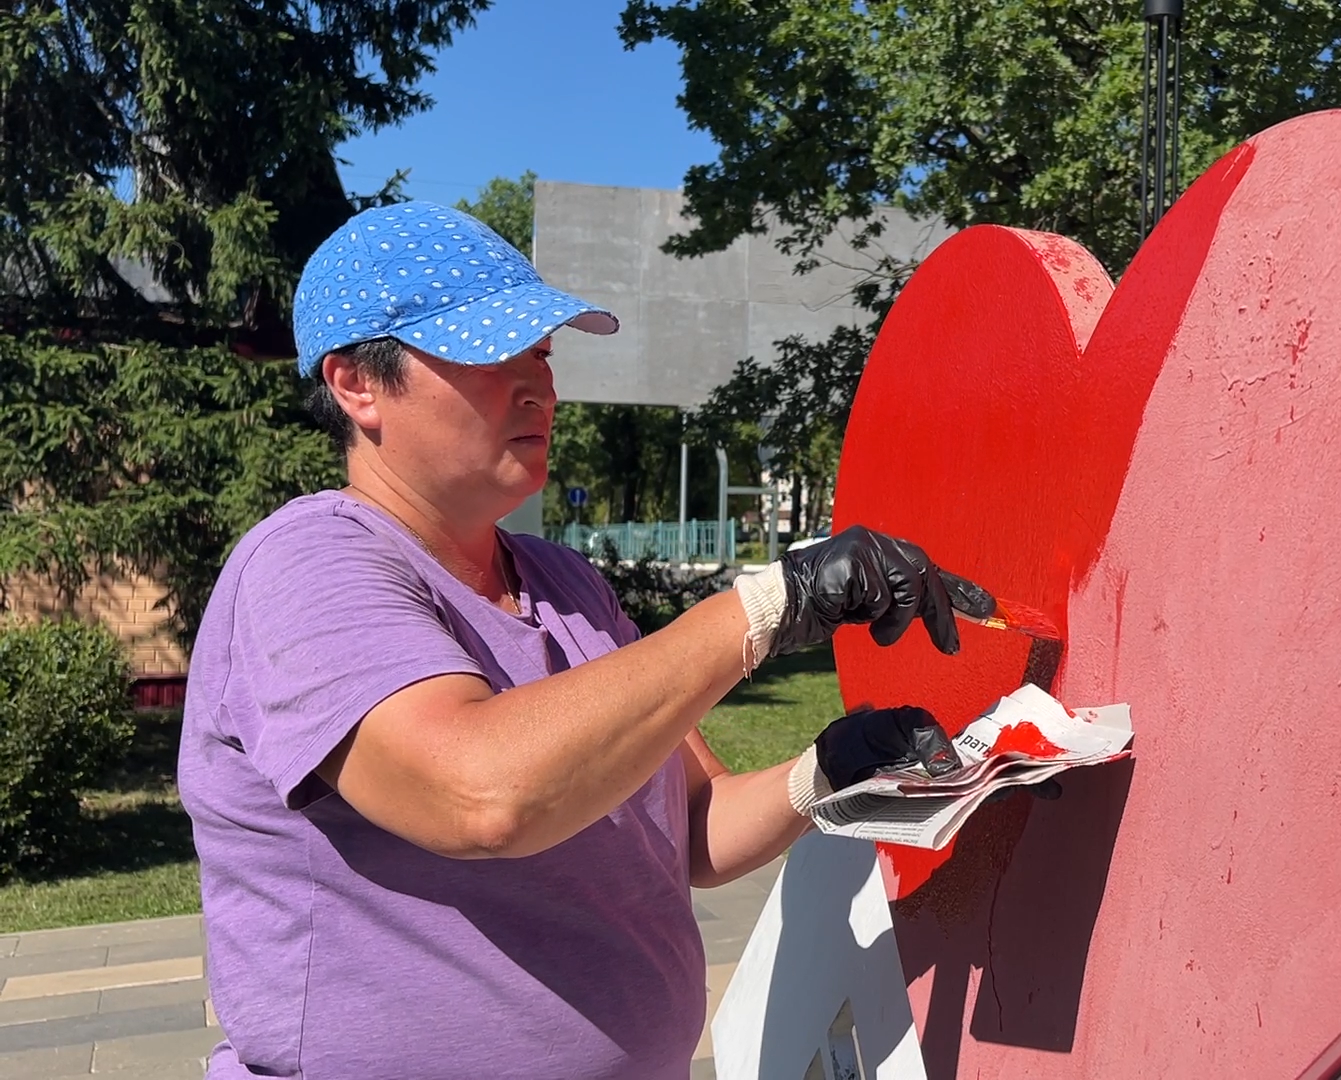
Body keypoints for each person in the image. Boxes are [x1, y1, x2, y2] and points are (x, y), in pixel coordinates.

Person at [178, 201, 976, 1080]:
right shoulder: (307, 565)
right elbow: (483, 797)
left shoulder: (566, 585)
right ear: (355, 386)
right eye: (488, 353)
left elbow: (691, 830)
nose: (538, 387)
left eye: (544, 354)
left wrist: (825, 772)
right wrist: (767, 608)